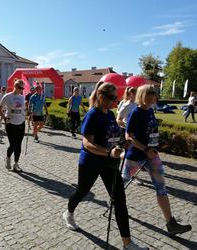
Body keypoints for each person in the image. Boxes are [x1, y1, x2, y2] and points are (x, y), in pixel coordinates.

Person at [63, 82, 148, 250]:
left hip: (110, 164)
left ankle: (127, 243)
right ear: (101, 96)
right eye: (111, 98)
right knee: (82, 191)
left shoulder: (110, 114)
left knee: (120, 200)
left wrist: (125, 143)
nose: (115, 101)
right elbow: (87, 143)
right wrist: (108, 152)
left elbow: (113, 136)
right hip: (91, 162)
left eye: (116, 98)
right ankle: (68, 213)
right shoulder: (93, 115)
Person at [122, 84, 192, 236]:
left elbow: (150, 132)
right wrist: (145, 149)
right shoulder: (136, 112)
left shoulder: (150, 111)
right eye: (149, 93)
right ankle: (116, 206)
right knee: (122, 182)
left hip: (152, 156)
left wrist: (157, 144)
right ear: (141, 95)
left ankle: (171, 223)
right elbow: (129, 136)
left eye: (153, 93)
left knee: (161, 187)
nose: (152, 96)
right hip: (136, 156)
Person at [0, 79, 25, 172]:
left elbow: (22, 110)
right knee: (13, 145)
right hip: (10, 123)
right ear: (15, 86)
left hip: (21, 122)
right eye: (20, 87)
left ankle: (16, 164)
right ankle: (8, 158)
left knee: (19, 145)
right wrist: (4, 118)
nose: (21, 89)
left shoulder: (22, 97)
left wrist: (27, 114)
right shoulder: (7, 96)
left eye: (23, 88)